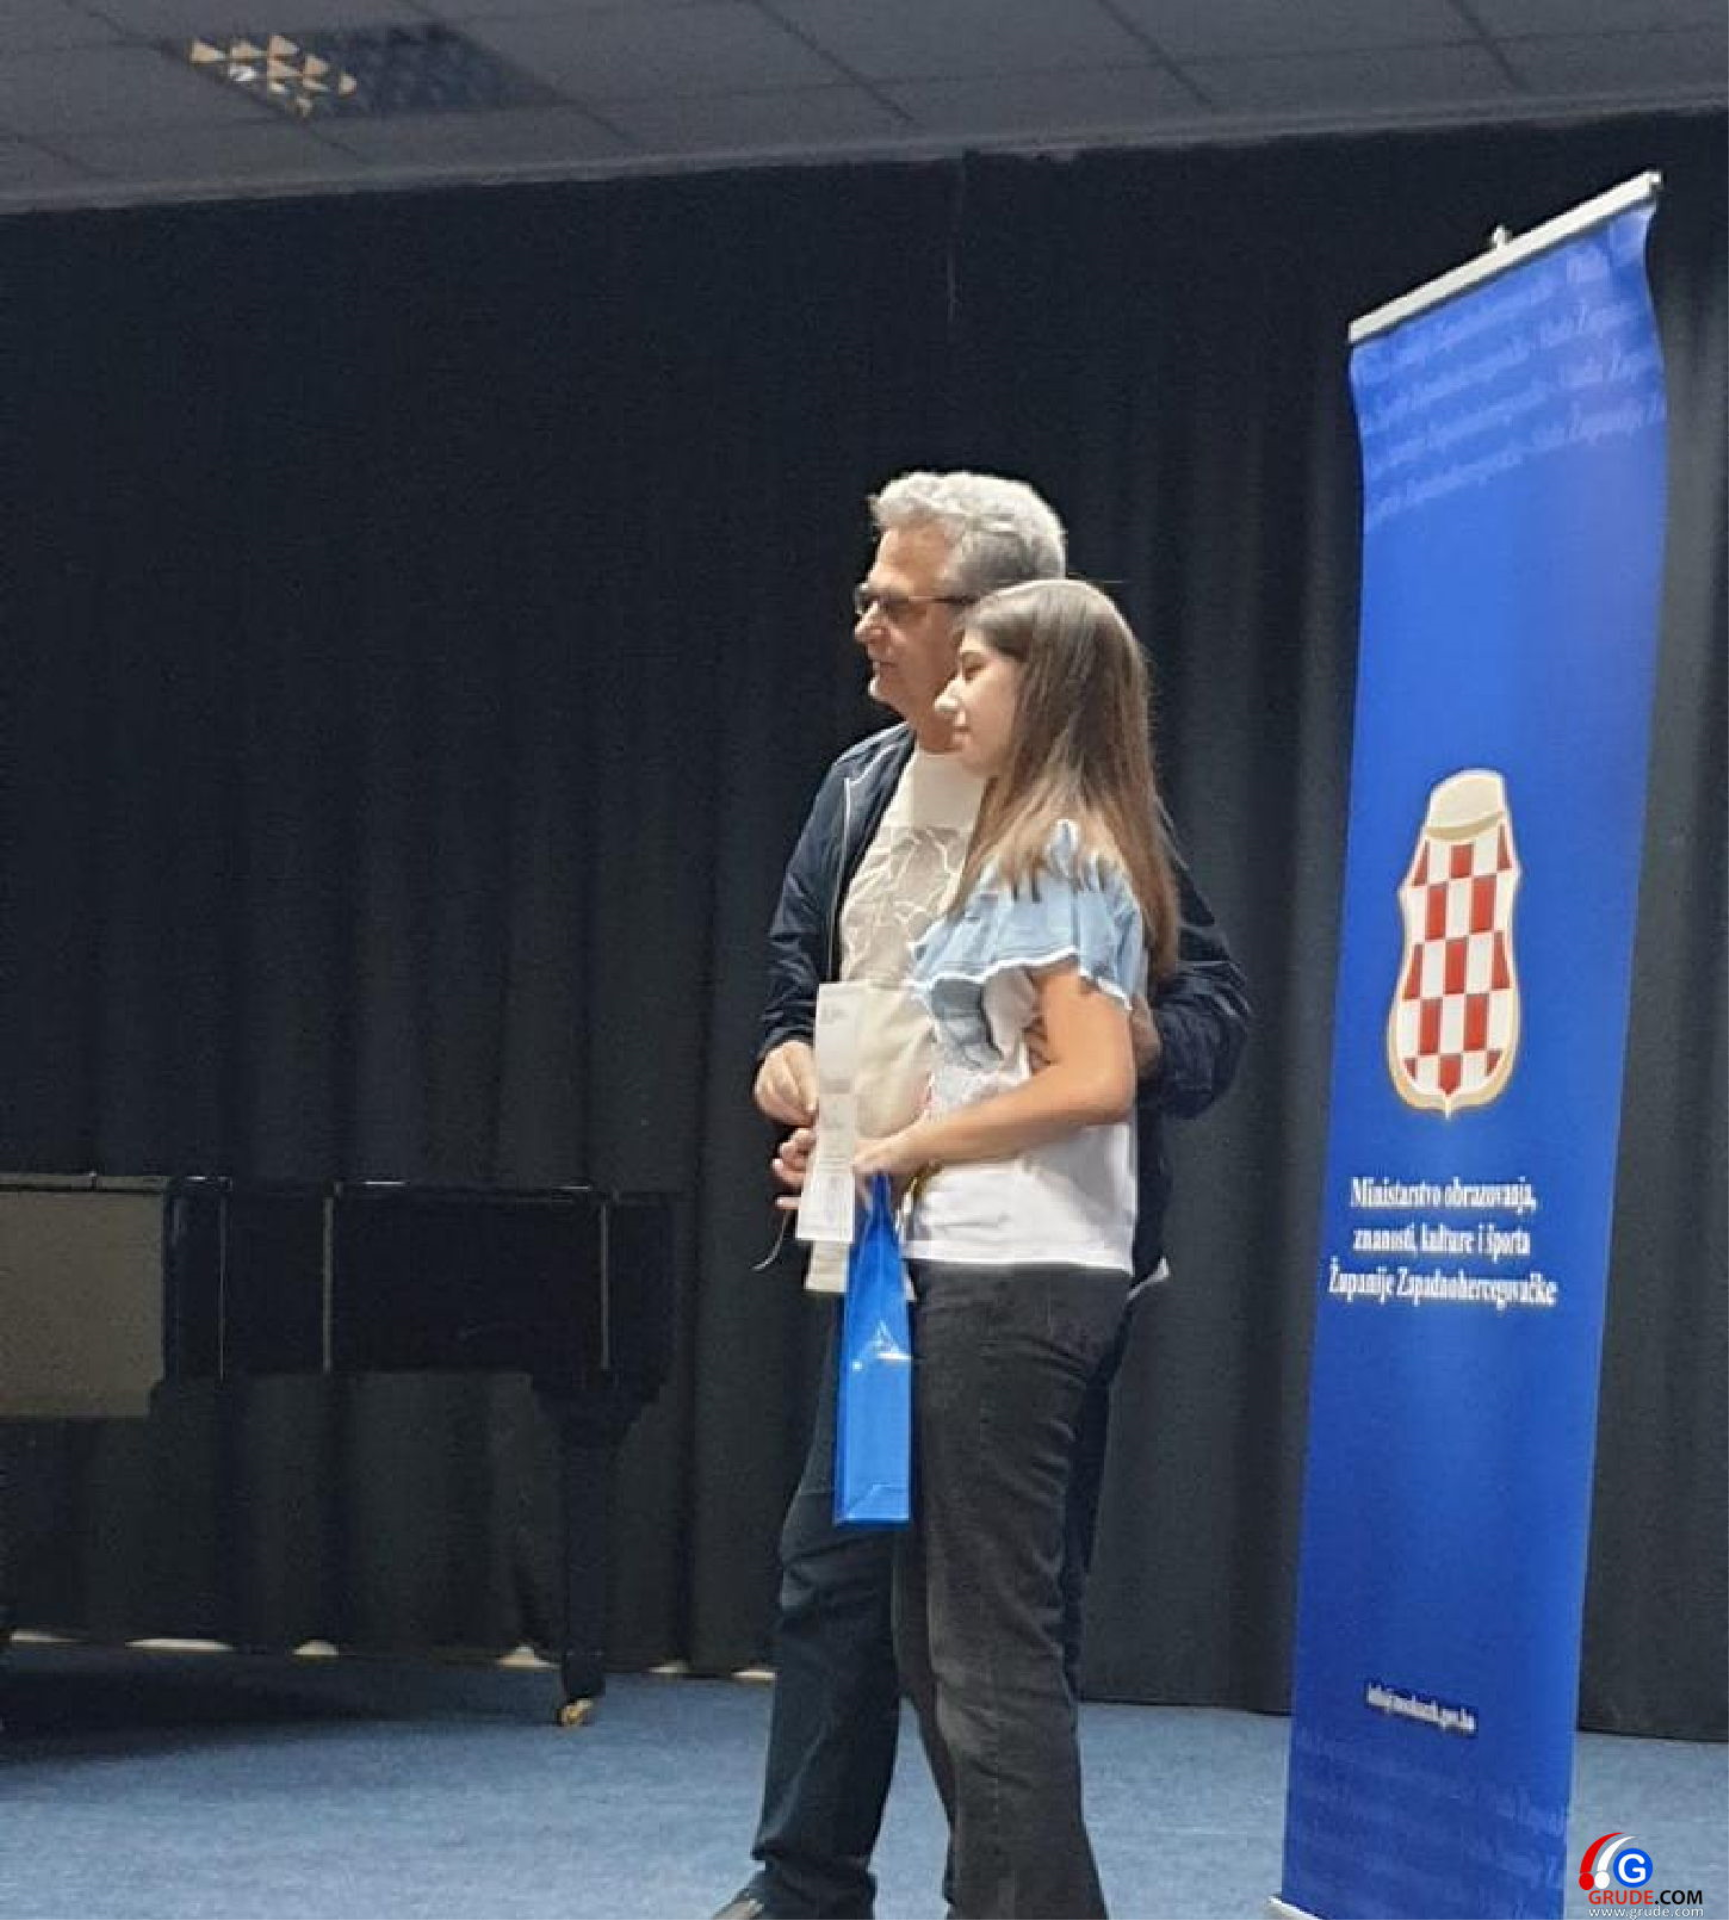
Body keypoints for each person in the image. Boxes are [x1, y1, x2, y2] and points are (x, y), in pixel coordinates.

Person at [714, 473, 1247, 1920]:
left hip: (1021, 1267)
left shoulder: (1070, 826)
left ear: (998, 628)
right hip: (904, 1255)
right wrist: (815, 1099)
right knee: (860, 1589)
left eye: (899, 604)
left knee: (994, 1629)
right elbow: (797, 985)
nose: (869, 626)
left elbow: (1188, 1030)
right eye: (868, 597)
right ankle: (811, 1885)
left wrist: (989, 1099)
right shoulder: (858, 788)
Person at [853, 576, 1175, 1916]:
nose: (951, 690)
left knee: (987, 1658)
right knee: (944, 1654)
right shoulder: (1037, 853)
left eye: (978, 667)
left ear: (1047, 692)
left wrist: (912, 1146)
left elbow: (1094, 1080)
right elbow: (1037, 1060)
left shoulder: (1061, 856)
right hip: (980, 1266)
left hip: (1018, 1274)